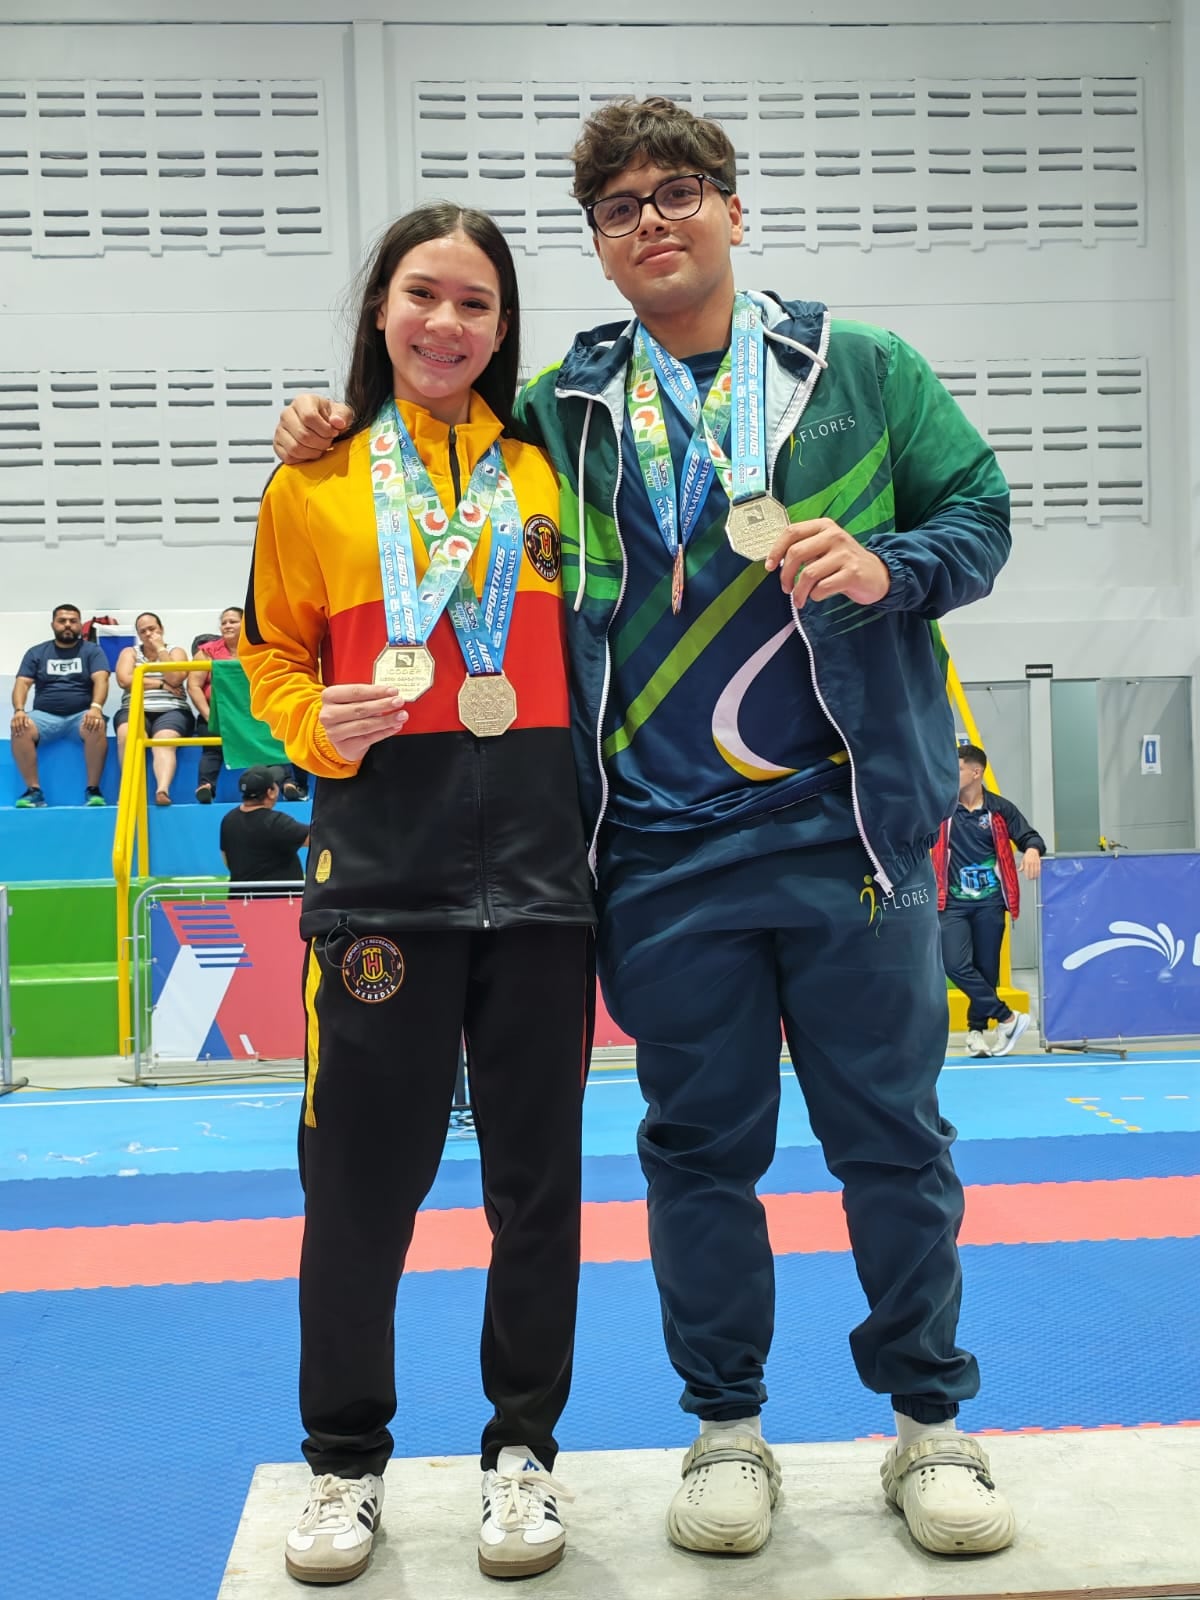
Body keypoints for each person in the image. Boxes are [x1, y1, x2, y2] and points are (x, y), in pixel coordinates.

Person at [272, 97, 1015, 1561]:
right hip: (661, 854)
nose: (654, 221)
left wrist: (891, 562)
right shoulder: (566, 404)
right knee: (696, 1154)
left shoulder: (859, 373)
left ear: (734, 212)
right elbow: (438, 438)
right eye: (621, 208)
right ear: (600, 250)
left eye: (681, 193)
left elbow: (981, 516)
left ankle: (929, 1426)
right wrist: (329, 418)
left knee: (894, 1142)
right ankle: (727, 1428)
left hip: (850, 839)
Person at [241, 202, 594, 1587]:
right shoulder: (314, 484)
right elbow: (259, 661)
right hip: (377, 889)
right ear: (379, 310)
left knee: (539, 1193)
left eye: (478, 305)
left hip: (544, 891)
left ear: (506, 331)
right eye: (423, 296)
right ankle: (343, 1466)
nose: (448, 325)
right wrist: (314, 728)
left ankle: (522, 1455)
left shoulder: (551, 471)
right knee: (357, 1192)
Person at [933, 744, 1045, 1057]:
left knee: (986, 970)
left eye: (956, 769)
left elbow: (1029, 836)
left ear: (975, 772)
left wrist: (1033, 850)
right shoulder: (942, 808)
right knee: (954, 964)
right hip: (951, 902)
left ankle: (976, 1033)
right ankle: (1008, 1018)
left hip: (990, 904)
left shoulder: (998, 809)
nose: (949, 774)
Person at [189, 608, 309, 803]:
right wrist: (209, 715)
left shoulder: (260, 650)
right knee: (211, 741)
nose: (227, 625)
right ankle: (206, 787)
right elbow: (193, 685)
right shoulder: (206, 653)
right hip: (219, 715)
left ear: (244, 624)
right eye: (224, 622)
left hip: (256, 714)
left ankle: (287, 784)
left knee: (272, 734)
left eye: (233, 621)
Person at [10, 604, 110, 807]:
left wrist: (96, 707)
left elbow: (102, 679)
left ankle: (93, 790)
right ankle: (33, 791)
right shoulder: (37, 652)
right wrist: (19, 710)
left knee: (96, 724)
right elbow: (22, 683)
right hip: (44, 716)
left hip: (81, 715)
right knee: (20, 727)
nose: (67, 625)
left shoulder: (92, 651)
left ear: (80, 625)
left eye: (73, 621)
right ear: (53, 624)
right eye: (62, 621)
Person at [114, 612, 193, 805]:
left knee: (163, 740)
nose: (148, 634)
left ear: (161, 629)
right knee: (127, 734)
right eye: (143, 631)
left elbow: (175, 678)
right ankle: (129, 790)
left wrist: (160, 649)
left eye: (152, 629)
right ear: (138, 635)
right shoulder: (129, 653)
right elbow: (124, 680)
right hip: (134, 708)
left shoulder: (176, 651)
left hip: (172, 709)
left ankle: (162, 790)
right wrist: (161, 684)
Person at [219, 765, 309, 883]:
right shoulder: (277, 822)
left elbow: (226, 858)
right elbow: (318, 838)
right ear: (270, 792)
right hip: (279, 899)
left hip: (240, 898)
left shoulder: (228, 820)